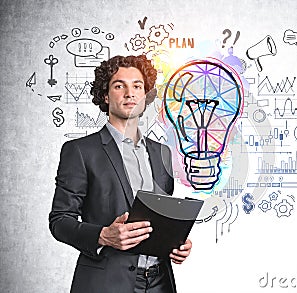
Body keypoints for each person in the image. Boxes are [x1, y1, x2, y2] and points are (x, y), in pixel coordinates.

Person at [49, 55, 192, 293]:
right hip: (106, 283)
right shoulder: (80, 151)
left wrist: (176, 243)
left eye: (137, 86)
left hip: (161, 283)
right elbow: (60, 221)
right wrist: (103, 235)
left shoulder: (163, 153)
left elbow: (160, 219)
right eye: (119, 86)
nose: (130, 93)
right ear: (105, 96)